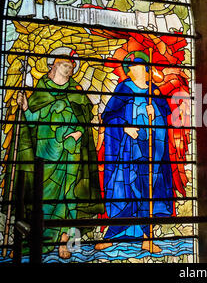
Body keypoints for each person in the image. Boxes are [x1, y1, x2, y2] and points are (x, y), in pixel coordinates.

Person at [8, 47, 104, 259]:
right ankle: (43, 241)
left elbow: (85, 119)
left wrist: (79, 132)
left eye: (71, 66)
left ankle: (68, 242)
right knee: (46, 198)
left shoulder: (77, 92)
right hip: (46, 155)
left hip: (72, 153)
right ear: (53, 65)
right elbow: (32, 121)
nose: (68, 69)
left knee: (70, 196)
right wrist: (24, 107)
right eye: (64, 65)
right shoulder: (41, 90)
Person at [98, 50, 173, 252]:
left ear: (145, 68)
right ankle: (112, 235)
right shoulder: (123, 88)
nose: (133, 70)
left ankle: (147, 238)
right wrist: (124, 127)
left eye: (136, 66)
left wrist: (154, 113)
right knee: (126, 189)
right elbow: (108, 116)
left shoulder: (154, 92)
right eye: (130, 68)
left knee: (148, 190)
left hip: (152, 153)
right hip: (128, 151)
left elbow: (164, 120)